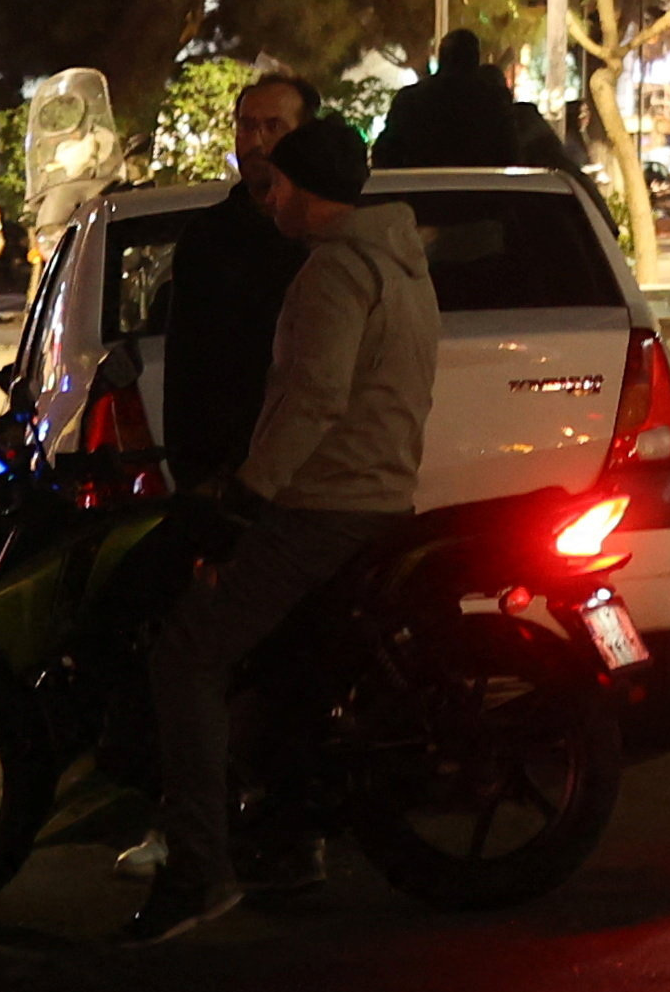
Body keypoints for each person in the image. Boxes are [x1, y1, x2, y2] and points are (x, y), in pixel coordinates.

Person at [124, 114, 439, 945]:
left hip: (322, 506)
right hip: (376, 497)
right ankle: (284, 840)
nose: (268, 199)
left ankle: (198, 871)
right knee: (279, 670)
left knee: (187, 654)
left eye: (275, 185)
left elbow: (314, 400)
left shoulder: (334, 273)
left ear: (299, 189)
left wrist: (246, 497)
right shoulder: (400, 263)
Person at [154, 71, 315, 489]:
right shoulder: (208, 239)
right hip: (229, 472)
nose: (256, 141)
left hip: (318, 475)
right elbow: (186, 367)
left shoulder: (325, 235)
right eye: (246, 126)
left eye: (273, 126)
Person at [373, 27, 563, 173]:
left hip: (419, 203)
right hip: (481, 205)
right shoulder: (492, 101)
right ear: (475, 58)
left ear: (442, 57)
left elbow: (385, 154)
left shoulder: (410, 99)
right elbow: (509, 153)